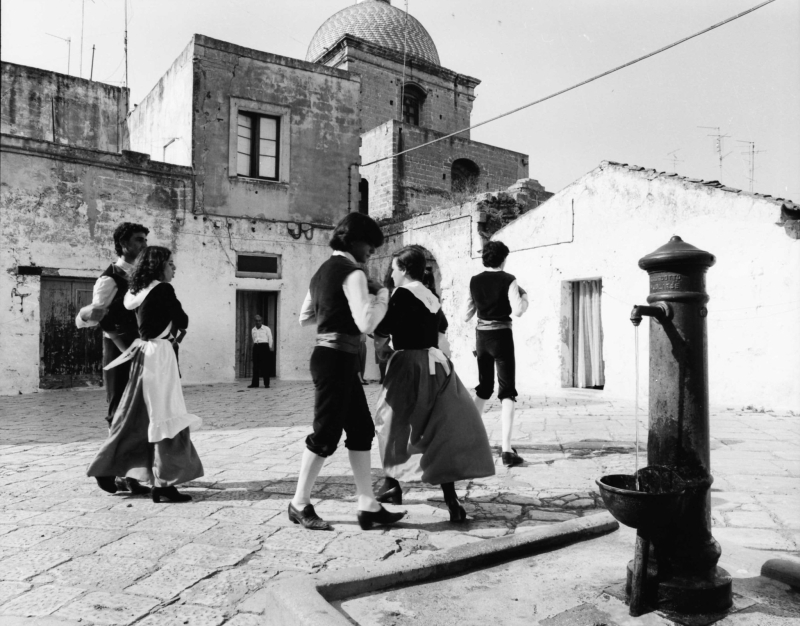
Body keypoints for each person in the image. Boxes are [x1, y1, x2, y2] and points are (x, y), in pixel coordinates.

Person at [291, 213, 405, 531]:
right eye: (369, 246)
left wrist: (336, 309)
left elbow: (305, 317)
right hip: (336, 360)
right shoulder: (353, 273)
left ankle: (367, 504)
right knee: (326, 434)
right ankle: (298, 503)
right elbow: (366, 324)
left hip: (332, 357)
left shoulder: (321, 272)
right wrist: (381, 294)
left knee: (360, 430)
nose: (370, 252)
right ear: (354, 241)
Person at [373, 246, 495, 522]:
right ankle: (451, 500)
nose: (391, 274)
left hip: (407, 366)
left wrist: (383, 350)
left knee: (390, 422)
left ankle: (392, 484)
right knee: (438, 429)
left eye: (394, 269)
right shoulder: (431, 296)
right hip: (436, 366)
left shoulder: (401, 294)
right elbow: (442, 326)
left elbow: (382, 328)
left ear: (403, 270)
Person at [87, 246, 203, 503]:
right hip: (160, 356)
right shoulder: (163, 289)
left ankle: (112, 467)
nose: (174, 268)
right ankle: (163, 485)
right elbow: (181, 321)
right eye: (170, 263)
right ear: (158, 266)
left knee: (138, 415)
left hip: (144, 355)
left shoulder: (135, 292)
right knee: (166, 413)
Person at [76, 222, 150, 495]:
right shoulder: (109, 278)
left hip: (142, 349)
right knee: (119, 409)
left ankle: (129, 473)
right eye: (138, 240)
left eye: (144, 240)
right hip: (118, 350)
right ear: (122, 244)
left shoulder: (143, 276)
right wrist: (85, 314)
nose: (143, 245)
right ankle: (110, 469)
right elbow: (94, 315)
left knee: (140, 410)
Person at [464, 240, 529, 467]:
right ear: (503, 259)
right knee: (507, 391)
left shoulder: (474, 281)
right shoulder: (509, 279)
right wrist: (525, 296)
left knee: (483, 388)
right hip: (502, 337)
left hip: (481, 337)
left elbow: (465, 314)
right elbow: (518, 310)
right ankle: (507, 449)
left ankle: (467, 440)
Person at [248, 315, 273, 388]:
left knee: (265, 366)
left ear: (261, 321)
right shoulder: (253, 329)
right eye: (256, 320)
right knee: (255, 366)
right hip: (256, 346)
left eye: (259, 320)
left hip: (264, 347)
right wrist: (256, 345)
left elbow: (270, 338)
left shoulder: (266, 329)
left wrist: (270, 347)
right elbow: (253, 338)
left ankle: (266, 384)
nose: (258, 322)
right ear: (254, 321)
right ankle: (255, 384)